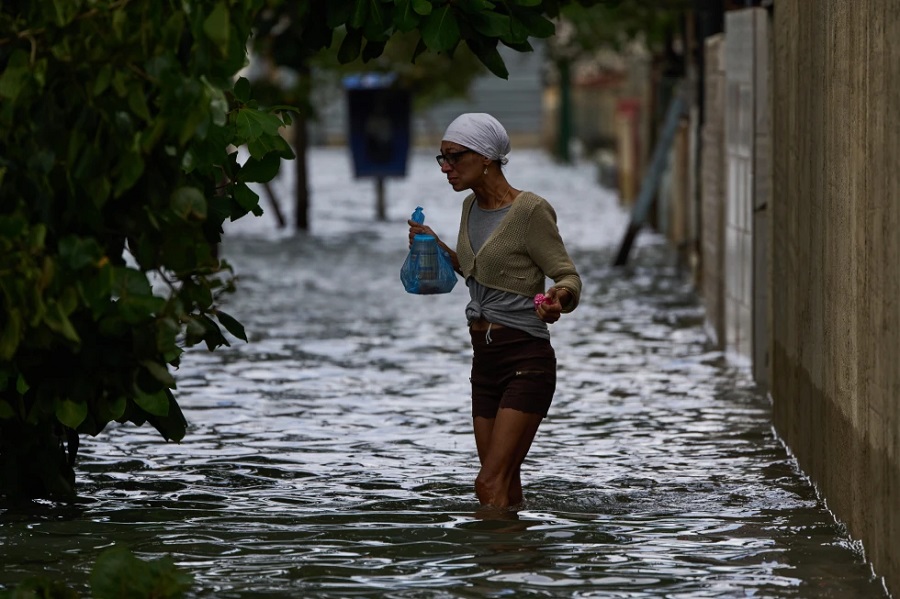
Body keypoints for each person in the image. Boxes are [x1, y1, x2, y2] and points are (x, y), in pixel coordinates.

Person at [407, 113, 582, 510]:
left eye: (453, 157)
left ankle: (491, 568)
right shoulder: (470, 207)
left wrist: (559, 298)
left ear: (485, 157)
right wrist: (436, 246)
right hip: (485, 364)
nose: (446, 167)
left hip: (526, 360)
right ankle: (513, 563)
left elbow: (568, 275)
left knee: (488, 483)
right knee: (504, 485)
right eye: (441, 159)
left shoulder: (529, 211)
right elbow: (477, 272)